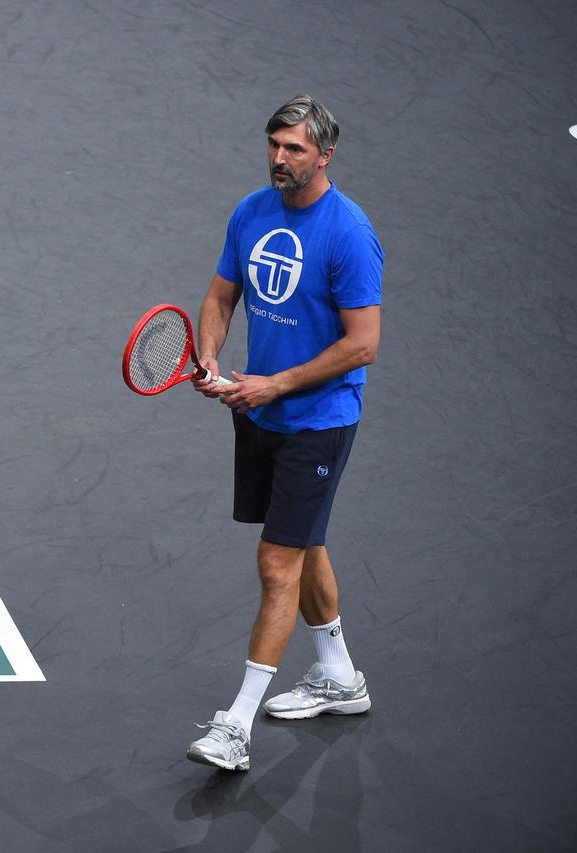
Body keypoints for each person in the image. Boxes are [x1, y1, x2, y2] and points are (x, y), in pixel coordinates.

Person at [185, 95, 383, 771]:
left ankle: (235, 727)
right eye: (274, 143)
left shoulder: (349, 233)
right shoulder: (251, 211)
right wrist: (211, 355)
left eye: (295, 148)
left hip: (317, 422)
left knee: (277, 563)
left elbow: (363, 345)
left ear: (324, 155)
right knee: (305, 541)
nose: (279, 157)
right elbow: (219, 296)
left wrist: (273, 384)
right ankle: (338, 674)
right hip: (259, 410)